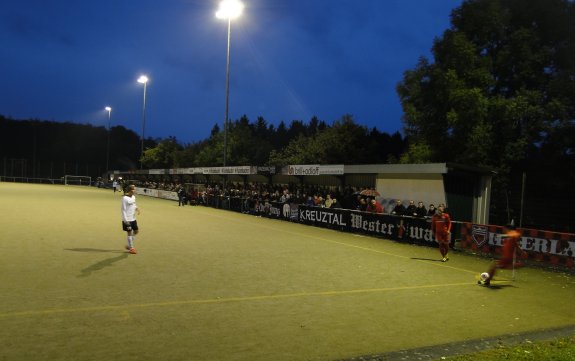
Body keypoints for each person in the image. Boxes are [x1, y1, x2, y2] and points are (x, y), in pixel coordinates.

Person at [121, 184, 140, 254]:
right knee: (129, 233)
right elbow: (123, 209)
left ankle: (129, 245)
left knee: (136, 231)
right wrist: (125, 220)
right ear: (130, 190)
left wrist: (137, 208)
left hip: (133, 218)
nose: (135, 190)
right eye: (133, 189)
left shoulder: (134, 197)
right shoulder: (124, 198)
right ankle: (131, 248)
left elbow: (134, 204)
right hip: (127, 219)